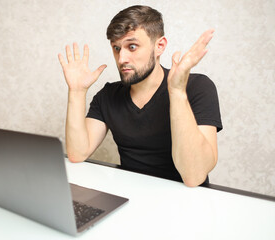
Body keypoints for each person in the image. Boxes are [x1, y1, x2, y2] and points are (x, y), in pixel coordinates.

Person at [58, 5, 222, 187]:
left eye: (132, 46)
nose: (122, 59)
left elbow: (194, 176)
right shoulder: (108, 96)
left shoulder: (197, 87)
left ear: (159, 46)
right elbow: (77, 153)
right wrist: (77, 91)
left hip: (186, 204)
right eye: (117, 48)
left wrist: (176, 92)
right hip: (132, 199)